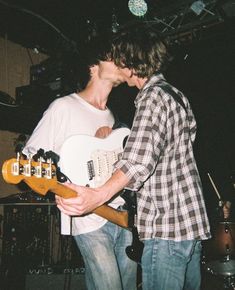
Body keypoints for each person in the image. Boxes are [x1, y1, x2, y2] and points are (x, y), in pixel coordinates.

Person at [56, 22, 212, 290]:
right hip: (190, 227)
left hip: (166, 229)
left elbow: (138, 161)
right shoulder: (176, 96)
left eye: (119, 59)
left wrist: (97, 195)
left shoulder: (151, 97)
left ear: (130, 62)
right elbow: (173, 146)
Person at [22, 37, 137, 290]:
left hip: (121, 211)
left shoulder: (111, 117)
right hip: (87, 216)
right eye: (112, 57)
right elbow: (31, 154)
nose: (120, 62)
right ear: (93, 67)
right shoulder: (63, 107)